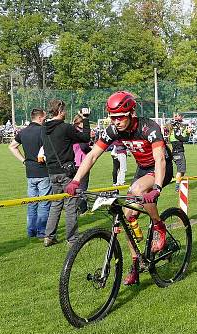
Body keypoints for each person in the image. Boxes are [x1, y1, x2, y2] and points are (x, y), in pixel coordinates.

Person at [65, 91, 172, 285]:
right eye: (112, 117)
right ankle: (136, 263)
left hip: (161, 168)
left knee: (138, 189)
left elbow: (160, 158)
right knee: (128, 217)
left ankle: (159, 225)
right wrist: (76, 180)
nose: (115, 122)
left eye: (120, 117)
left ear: (131, 113)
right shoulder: (113, 130)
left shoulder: (150, 128)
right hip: (143, 170)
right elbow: (92, 156)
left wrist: (157, 187)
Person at [42, 99, 91, 247]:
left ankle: (49, 236)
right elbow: (85, 138)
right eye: (65, 111)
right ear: (61, 111)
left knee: (56, 204)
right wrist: (86, 120)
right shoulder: (65, 128)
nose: (66, 113)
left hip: (52, 171)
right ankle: (72, 239)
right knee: (71, 204)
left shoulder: (44, 128)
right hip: (66, 171)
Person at [8, 108, 50, 238]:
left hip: (30, 171)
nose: (45, 120)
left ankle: (31, 230)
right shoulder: (43, 131)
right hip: (43, 171)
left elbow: (12, 146)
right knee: (44, 202)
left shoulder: (23, 132)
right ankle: (42, 231)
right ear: (39, 118)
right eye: (44, 118)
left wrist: (23, 160)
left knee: (32, 203)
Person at [169, 114, 191, 191]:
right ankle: (177, 186)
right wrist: (188, 133)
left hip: (174, 153)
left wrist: (185, 132)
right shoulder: (176, 131)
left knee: (181, 170)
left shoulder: (172, 133)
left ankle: (179, 184)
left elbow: (180, 138)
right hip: (179, 153)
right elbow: (185, 139)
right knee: (180, 170)